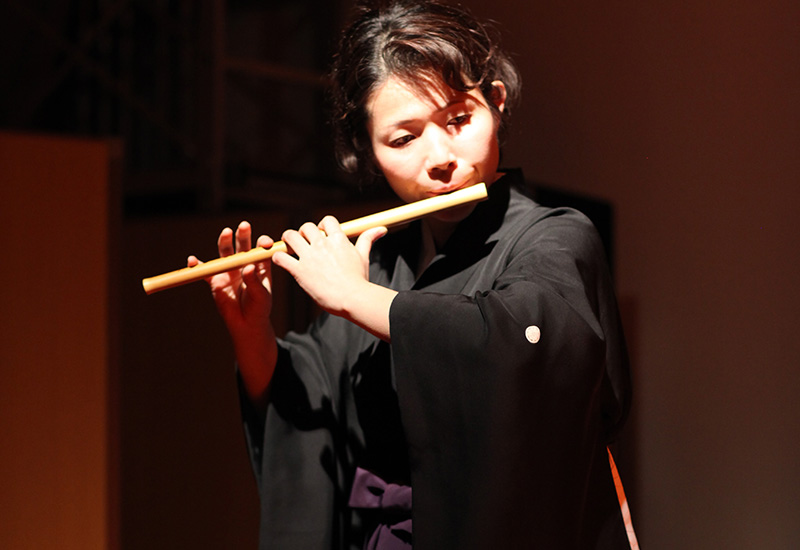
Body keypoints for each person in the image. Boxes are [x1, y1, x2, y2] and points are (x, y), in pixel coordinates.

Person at [189, 1, 637, 548]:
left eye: (458, 119)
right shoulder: (383, 261)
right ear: (369, 152)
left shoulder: (556, 238)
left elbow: (518, 349)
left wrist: (356, 297)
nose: (441, 157)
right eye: (404, 139)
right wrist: (250, 330)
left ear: (496, 102)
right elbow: (309, 400)